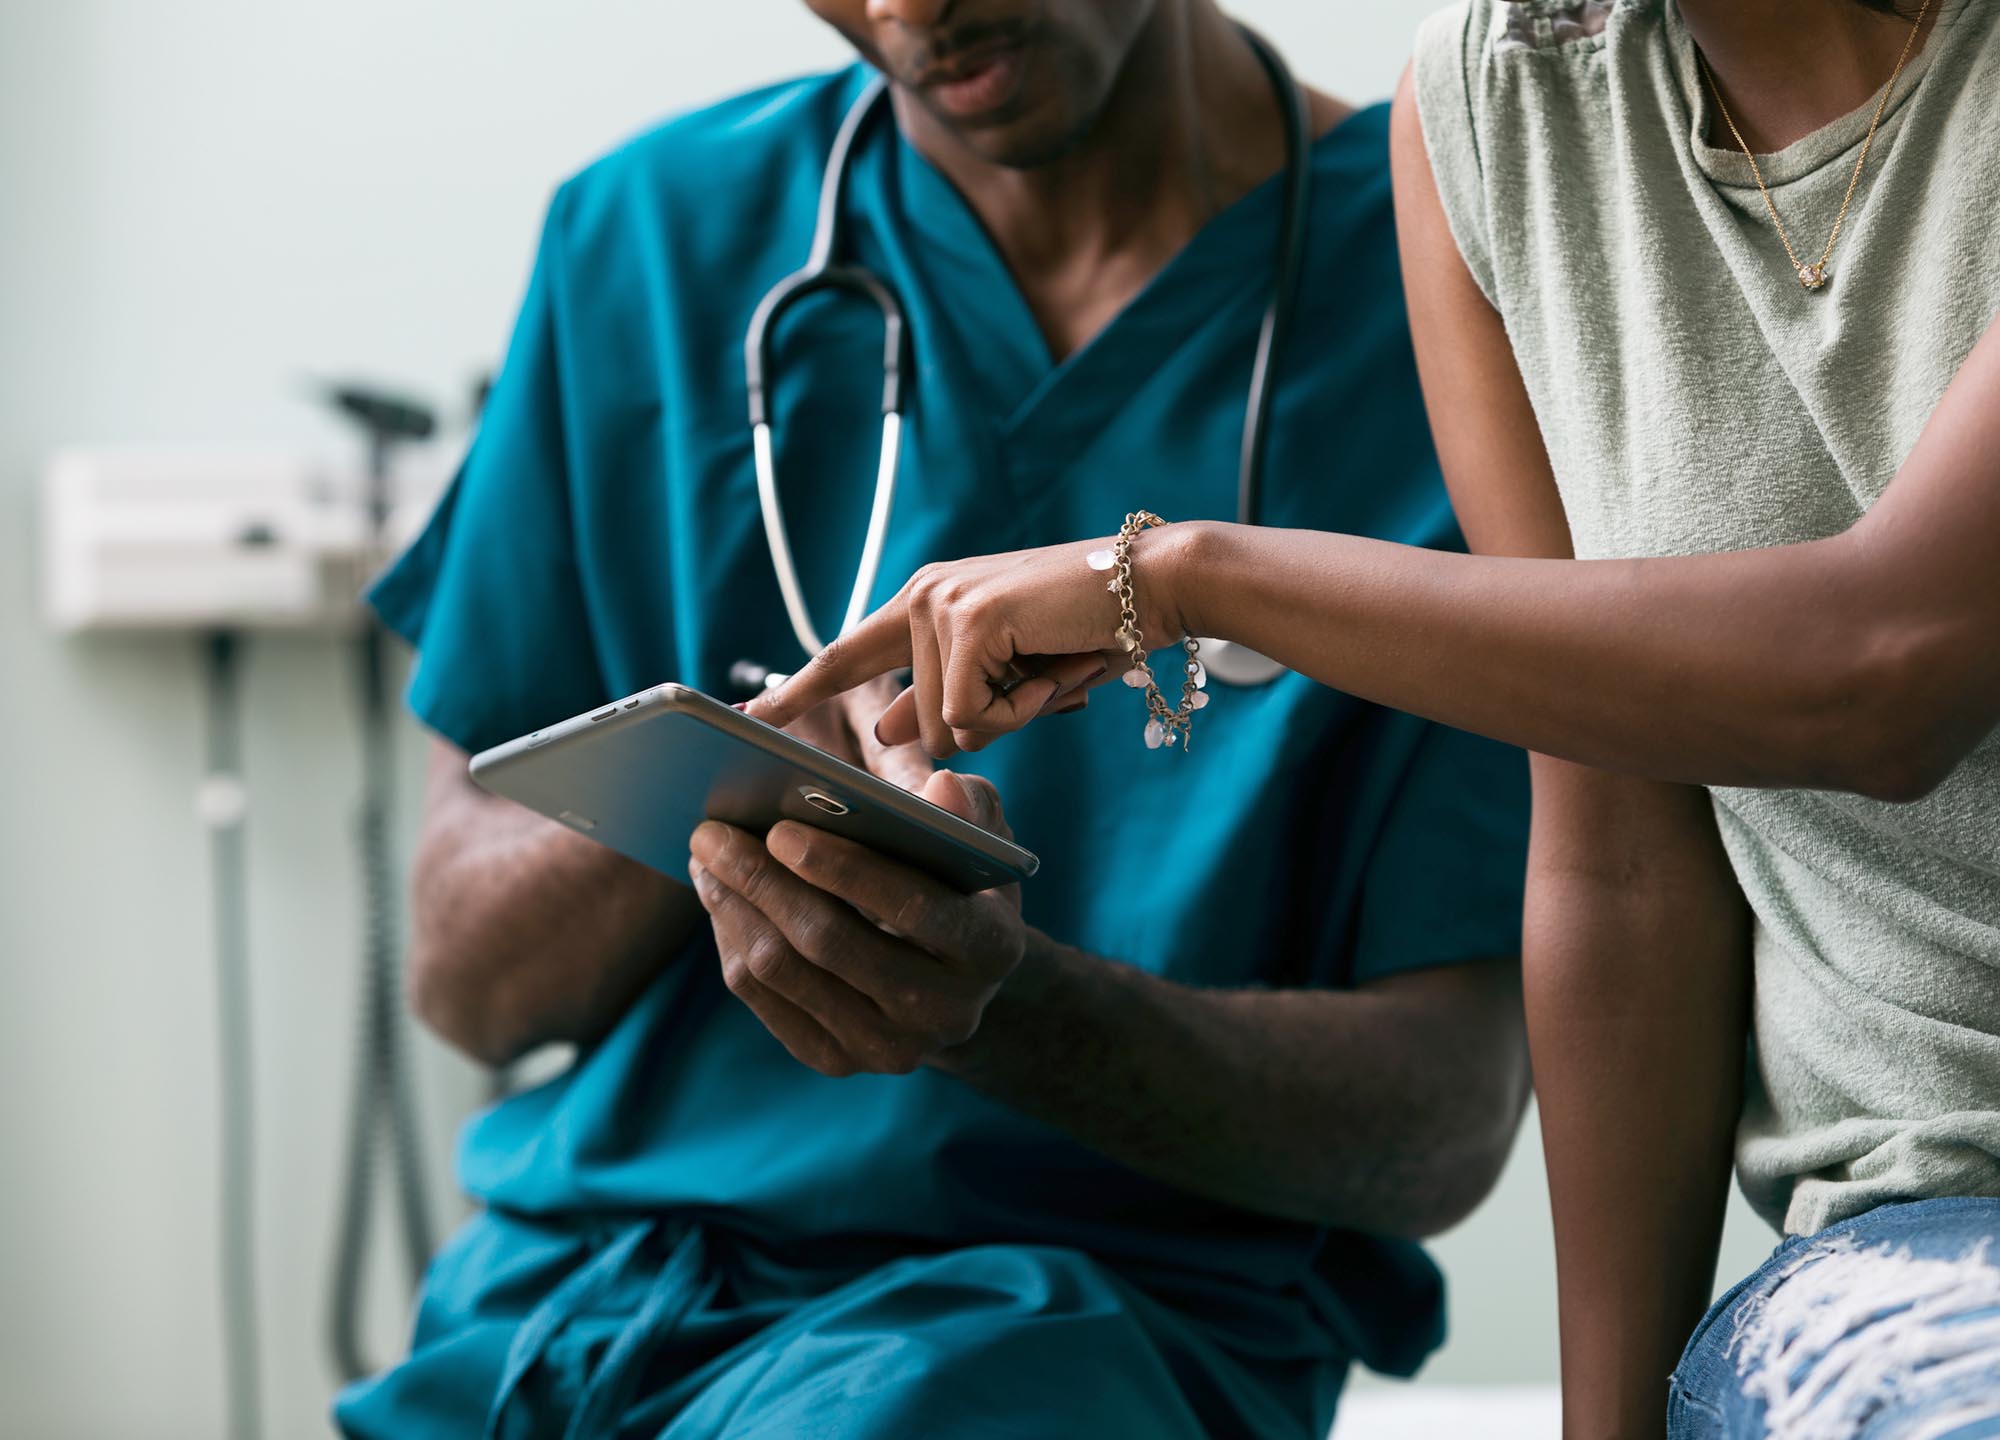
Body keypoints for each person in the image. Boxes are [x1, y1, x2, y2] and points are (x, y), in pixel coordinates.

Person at [751, 0, 2000, 1434]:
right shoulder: (1503, 97)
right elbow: (1620, 858)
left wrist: (1185, 576)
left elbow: (1888, 669)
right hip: (1912, 1231)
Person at [334, 2, 1537, 1436]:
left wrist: (1004, 1004)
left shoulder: (1448, 290)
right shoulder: (650, 240)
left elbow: (1443, 1123)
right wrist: (732, 780)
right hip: (568, 1317)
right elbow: (468, 981)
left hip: (1068, 1335)